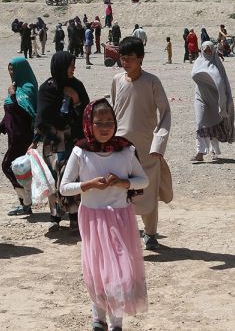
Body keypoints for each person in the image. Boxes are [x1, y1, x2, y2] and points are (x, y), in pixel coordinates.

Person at [60, 99, 149, 330]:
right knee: (98, 269)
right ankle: (98, 317)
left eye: (109, 122)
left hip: (121, 219)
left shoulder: (125, 150)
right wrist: (88, 185)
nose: (105, 128)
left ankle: (116, 322)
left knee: (119, 271)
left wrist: (123, 182)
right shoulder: (81, 151)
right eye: (99, 123)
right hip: (92, 219)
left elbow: (143, 180)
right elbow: (64, 187)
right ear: (89, 124)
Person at [109, 36, 172, 251]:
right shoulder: (117, 80)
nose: (125, 63)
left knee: (147, 190)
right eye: (122, 58)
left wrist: (159, 145)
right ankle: (123, 233)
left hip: (147, 149)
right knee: (120, 190)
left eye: (130, 59)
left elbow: (165, 113)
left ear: (141, 58)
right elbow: (115, 111)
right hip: (120, 147)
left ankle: (151, 233)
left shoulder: (152, 81)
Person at [35, 51, 90, 228]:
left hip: (73, 141)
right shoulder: (47, 88)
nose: (74, 68)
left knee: (71, 176)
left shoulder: (77, 86)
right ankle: (55, 217)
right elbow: (43, 117)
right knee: (53, 178)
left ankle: (74, 215)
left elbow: (86, 113)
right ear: (61, 67)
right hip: (53, 142)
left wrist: (75, 100)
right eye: (70, 65)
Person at [0, 57, 39, 216]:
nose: (11, 72)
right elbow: (9, 114)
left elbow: (28, 111)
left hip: (22, 136)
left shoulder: (28, 88)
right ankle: (25, 202)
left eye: (13, 69)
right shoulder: (17, 88)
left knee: (8, 166)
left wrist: (14, 95)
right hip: (13, 136)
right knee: (20, 169)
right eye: (9, 69)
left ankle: (26, 202)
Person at [190, 40, 235, 163]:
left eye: (210, 50)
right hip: (200, 96)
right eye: (205, 50)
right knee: (200, 123)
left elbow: (222, 84)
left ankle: (215, 151)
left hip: (215, 99)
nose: (207, 52)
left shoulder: (217, 64)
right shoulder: (198, 62)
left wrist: (224, 103)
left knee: (214, 123)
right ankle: (200, 152)